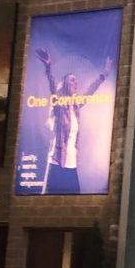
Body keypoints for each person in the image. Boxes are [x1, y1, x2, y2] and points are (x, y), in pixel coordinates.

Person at [35, 47, 112, 195]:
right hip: (57, 163)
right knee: (50, 203)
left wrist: (104, 74)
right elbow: (52, 87)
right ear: (64, 85)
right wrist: (48, 67)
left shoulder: (76, 106)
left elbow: (91, 90)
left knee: (73, 199)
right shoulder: (58, 105)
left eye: (76, 80)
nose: (75, 82)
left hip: (71, 164)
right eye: (72, 80)